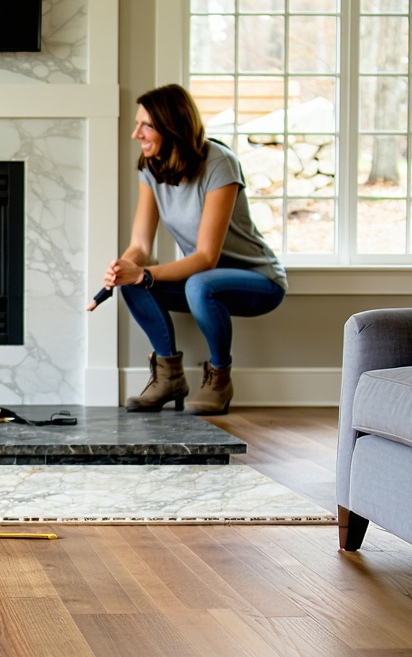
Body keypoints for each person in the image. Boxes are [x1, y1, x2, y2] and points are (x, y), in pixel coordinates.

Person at [90, 84, 287, 415]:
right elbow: (140, 245)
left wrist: (143, 273)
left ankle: (219, 379)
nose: (136, 134)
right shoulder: (150, 167)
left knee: (195, 283)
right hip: (205, 279)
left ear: (172, 127)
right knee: (134, 282)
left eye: (146, 125)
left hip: (258, 280)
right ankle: (169, 379)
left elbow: (207, 257)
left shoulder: (220, 163)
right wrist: (122, 268)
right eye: (138, 124)